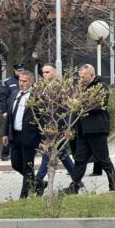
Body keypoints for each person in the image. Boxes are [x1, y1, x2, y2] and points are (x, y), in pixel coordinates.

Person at [66, 64, 115, 193]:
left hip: (96, 130)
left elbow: (97, 105)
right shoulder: (81, 88)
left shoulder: (101, 86)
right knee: (79, 159)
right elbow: (75, 110)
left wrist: (79, 102)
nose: (81, 80)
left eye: (83, 77)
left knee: (103, 159)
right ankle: (74, 186)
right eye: (80, 77)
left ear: (91, 75)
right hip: (83, 130)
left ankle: (114, 186)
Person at [34, 62, 75, 195]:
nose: (45, 75)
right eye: (43, 72)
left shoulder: (63, 88)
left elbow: (68, 110)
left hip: (59, 127)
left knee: (49, 154)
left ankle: (38, 181)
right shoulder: (41, 88)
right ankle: (77, 179)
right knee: (63, 155)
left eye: (48, 72)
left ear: (55, 72)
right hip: (46, 128)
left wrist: (66, 128)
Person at [2, 71, 42, 199]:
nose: (21, 83)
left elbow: (42, 118)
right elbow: (9, 116)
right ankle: (38, 184)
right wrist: (5, 133)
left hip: (30, 136)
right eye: (20, 80)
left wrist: (43, 138)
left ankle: (24, 196)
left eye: (25, 81)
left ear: (31, 82)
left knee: (27, 166)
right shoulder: (14, 94)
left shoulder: (36, 96)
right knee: (16, 164)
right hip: (15, 135)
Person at [0, 63, 25, 161]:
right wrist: (4, 111)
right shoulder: (9, 82)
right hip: (11, 111)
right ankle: (5, 153)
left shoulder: (27, 80)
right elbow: (3, 98)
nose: (20, 72)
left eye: (22, 70)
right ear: (14, 70)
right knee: (8, 132)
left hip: (23, 111)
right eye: (18, 71)